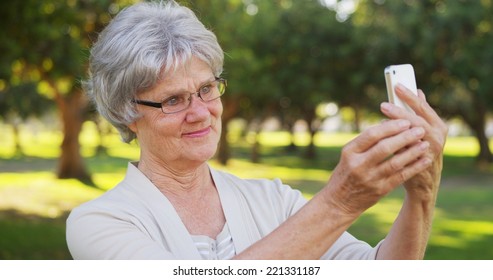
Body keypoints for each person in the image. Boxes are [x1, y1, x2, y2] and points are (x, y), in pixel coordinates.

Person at [66, 0, 448, 260]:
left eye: (205, 89)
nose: (200, 112)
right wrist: (338, 203)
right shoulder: (99, 223)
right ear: (127, 112)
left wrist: (421, 196)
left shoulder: (273, 200)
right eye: (173, 100)